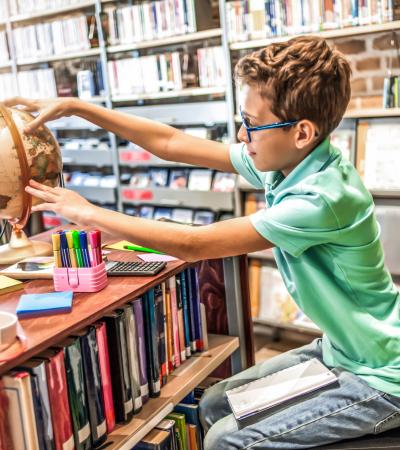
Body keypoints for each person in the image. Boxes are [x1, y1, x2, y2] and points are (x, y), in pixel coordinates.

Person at [5, 36, 400, 449]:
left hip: (382, 375)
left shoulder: (322, 199)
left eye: (252, 123)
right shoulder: (287, 162)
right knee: (213, 404)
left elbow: (193, 244)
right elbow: (171, 144)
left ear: (302, 132)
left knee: (227, 442)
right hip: (345, 350)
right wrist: (78, 108)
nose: (242, 134)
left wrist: (87, 212)